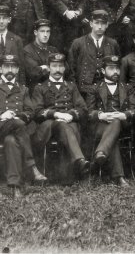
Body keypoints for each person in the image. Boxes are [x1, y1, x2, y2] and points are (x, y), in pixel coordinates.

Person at [0, 54, 47, 197]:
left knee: (11, 140)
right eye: (6, 66)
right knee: (17, 125)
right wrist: (1, 115)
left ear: (17, 70)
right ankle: (32, 167)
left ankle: (15, 186)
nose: (10, 70)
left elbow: (30, 112)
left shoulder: (23, 89)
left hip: (15, 132)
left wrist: (16, 117)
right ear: (0, 69)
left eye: (13, 67)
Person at [30, 52, 90, 182]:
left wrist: (71, 115)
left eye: (60, 66)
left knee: (69, 127)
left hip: (69, 122)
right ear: (48, 68)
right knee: (64, 125)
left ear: (64, 68)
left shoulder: (71, 86)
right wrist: (56, 114)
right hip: (48, 126)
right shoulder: (40, 87)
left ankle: (67, 177)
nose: (57, 69)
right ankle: (79, 160)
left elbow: (83, 109)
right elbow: (36, 112)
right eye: (54, 66)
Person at [85, 55, 135, 187]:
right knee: (112, 136)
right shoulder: (94, 88)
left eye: (117, 68)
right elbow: (88, 111)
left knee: (116, 122)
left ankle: (100, 153)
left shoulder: (127, 88)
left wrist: (124, 115)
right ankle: (119, 177)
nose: (115, 72)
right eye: (111, 68)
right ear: (103, 71)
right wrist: (101, 115)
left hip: (122, 126)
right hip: (100, 127)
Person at [68, 9, 120, 97]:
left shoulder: (112, 44)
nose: (100, 26)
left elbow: (117, 67)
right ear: (91, 24)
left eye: (103, 23)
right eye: (96, 23)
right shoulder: (78, 43)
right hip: (83, 90)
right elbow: (71, 70)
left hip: (107, 91)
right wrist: (75, 93)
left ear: (107, 25)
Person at [23, 19, 58, 93]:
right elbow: (34, 73)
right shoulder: (27, 50)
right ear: (35, 32)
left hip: (53, 91)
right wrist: (53, 68)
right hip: (35, 92)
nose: (45, 35)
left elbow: (64, 69)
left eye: (48, 31)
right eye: (42, 31)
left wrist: (44, 67)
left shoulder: (53, 50)